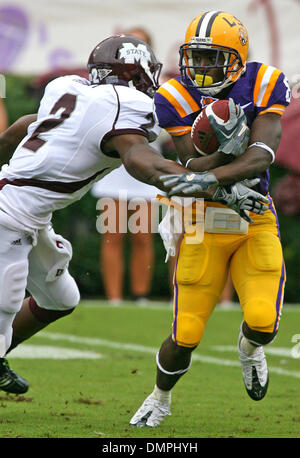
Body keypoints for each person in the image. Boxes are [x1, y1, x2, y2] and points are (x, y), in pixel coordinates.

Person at [0, 33, 267, 394]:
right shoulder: (122, 105)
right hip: (9, 217)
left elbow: (24, 126)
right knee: (5, 306)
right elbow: (145, 163)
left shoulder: (71, 88)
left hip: (26, 214)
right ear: (136, 75)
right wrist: (216, 185)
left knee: (60, 298)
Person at [130, 11, 290, 427]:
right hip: (205, 220)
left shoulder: (263, 81)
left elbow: (263, 153)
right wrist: (221, 171)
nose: (199, 68)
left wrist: (213, 173)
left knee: (262, 322)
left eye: (210, 58)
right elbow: (189, 162)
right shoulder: (175, 95)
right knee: (185, 333)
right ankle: (160, 397)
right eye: (194, 58)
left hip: (254, 216)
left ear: (236, 58)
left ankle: (250, 348)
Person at [91, 27, 159, 304]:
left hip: (143, 167)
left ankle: (141, 296)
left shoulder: (158, 85)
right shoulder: (107, 81)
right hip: (113, 166)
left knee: (143, 235)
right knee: (112, 234)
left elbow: (164, 128)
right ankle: (114, 299)